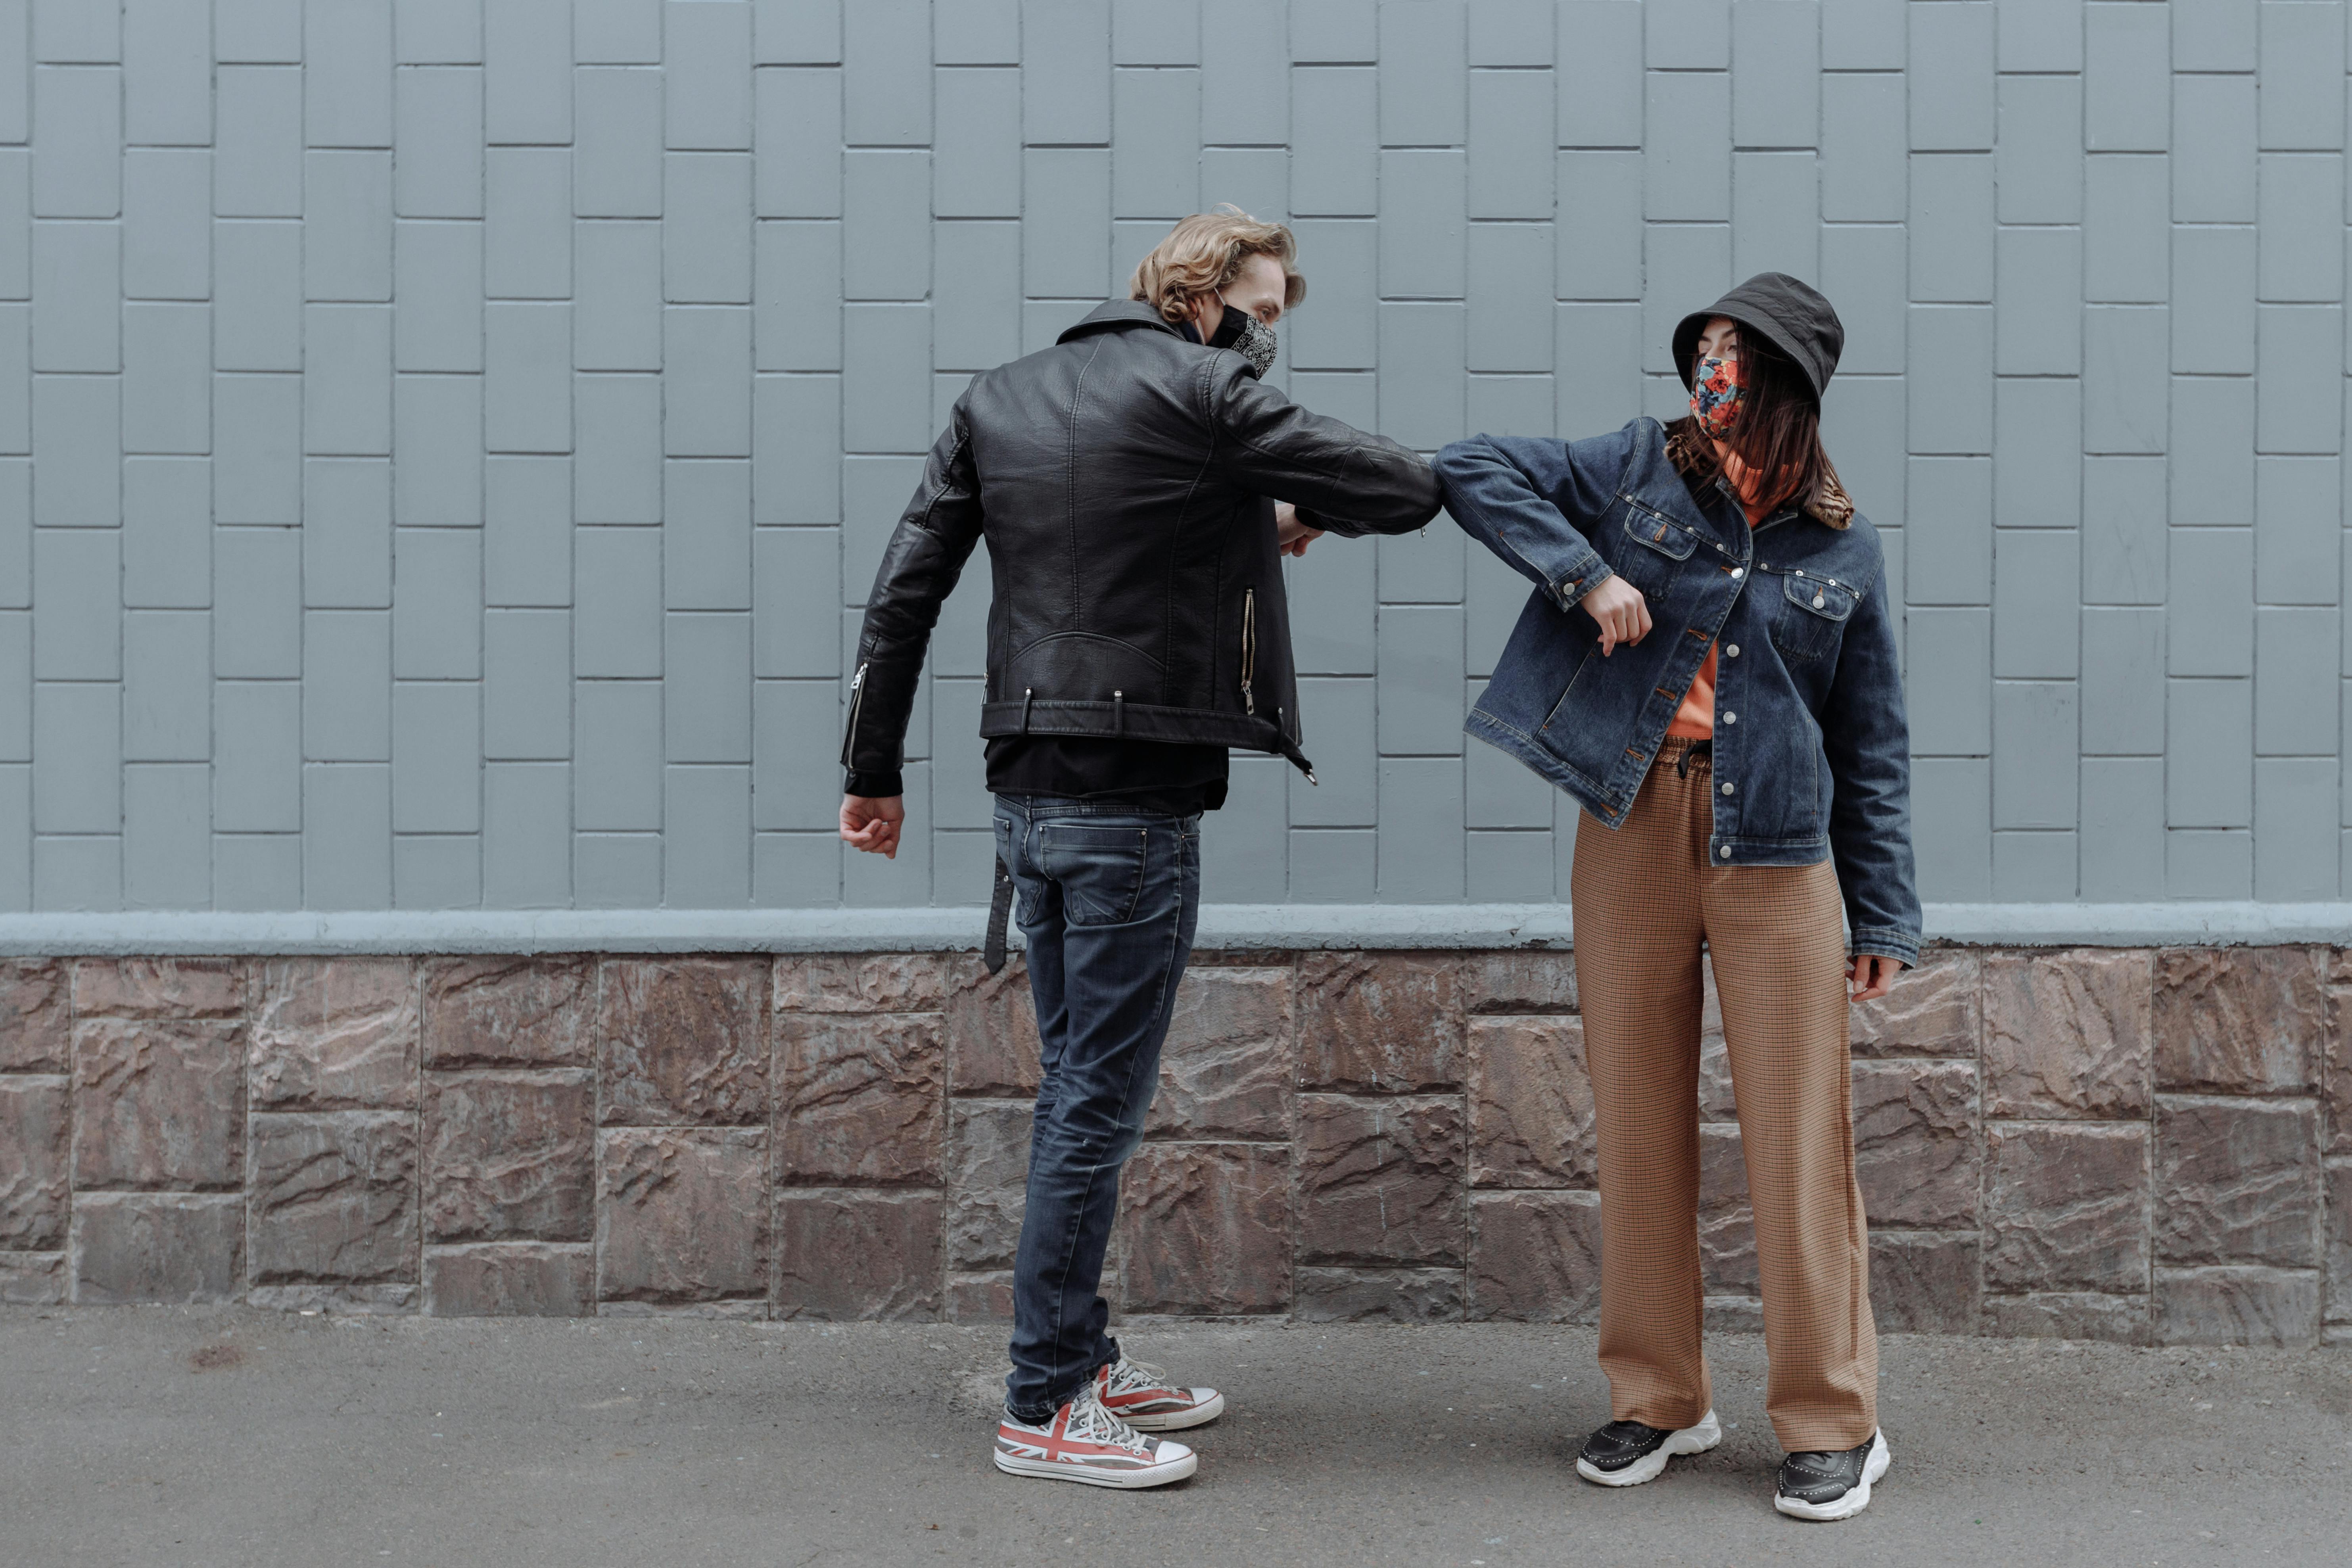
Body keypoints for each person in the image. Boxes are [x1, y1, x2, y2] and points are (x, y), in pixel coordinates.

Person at [840, 207, 1442, 1489]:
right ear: (1203, 288)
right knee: (1091, 1105)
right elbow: (1399, 483)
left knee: (1076, 1089)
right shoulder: (1203, 385)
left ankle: (1084, 1354)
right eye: (1263, 310)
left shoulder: (997, 397)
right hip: (1130, 807)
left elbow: (906, 587)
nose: (1265, 335)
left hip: (1027, 798)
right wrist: (1290, 494)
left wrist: (871, 770)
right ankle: (1046, 1401)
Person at [1433, 273, 1919, 1522]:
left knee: (1795, 1139)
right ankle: (1656, 1396)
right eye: (1700, 354)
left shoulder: (1838, 545)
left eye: (1733, 363)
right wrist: (1581, 576)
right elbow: (1473, 467)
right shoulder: (1634, 469)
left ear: (1786, 391)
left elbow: (1871, 742)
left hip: (1780, 847)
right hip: (1634, 815)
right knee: (1638, 1119)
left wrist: (1883, 915)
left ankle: (1830, 1419)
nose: (1709, 381)